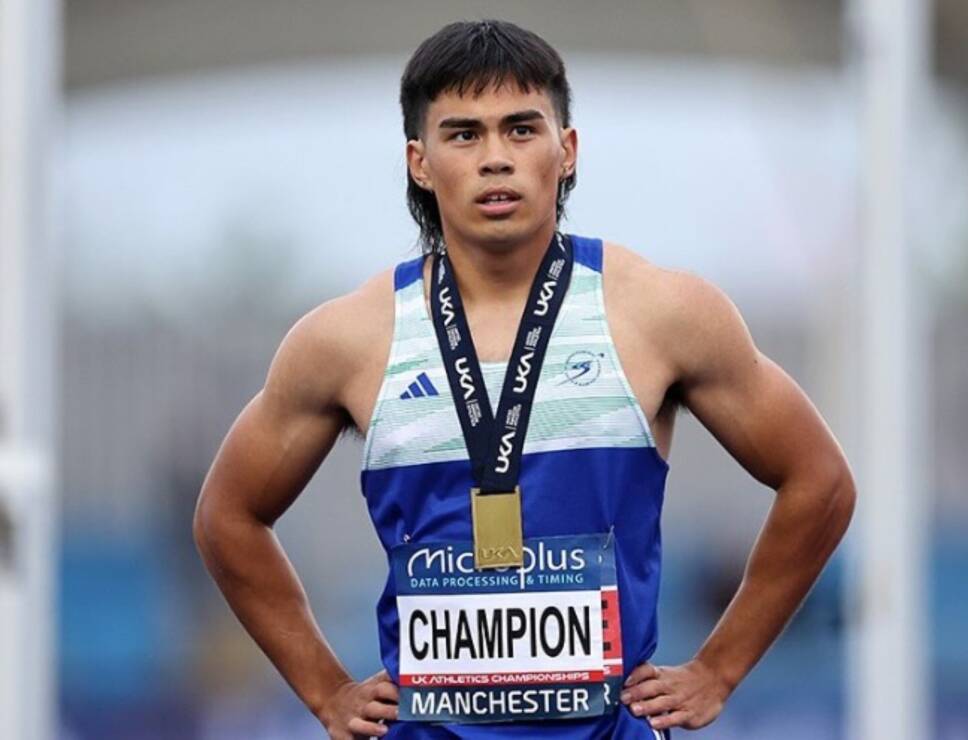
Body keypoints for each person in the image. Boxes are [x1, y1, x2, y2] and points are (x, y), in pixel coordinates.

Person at [194, 19, 856, 739]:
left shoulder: (662, 313)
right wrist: (326, 691)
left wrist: (719, 669)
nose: (495, 159)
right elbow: (227, 517)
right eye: (463, 135)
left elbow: (819, 481)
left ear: (565, 150)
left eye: (520, 129)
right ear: (420, 162)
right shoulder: (347, 339)